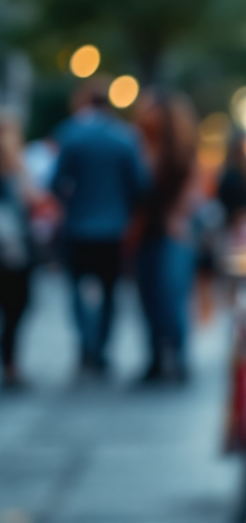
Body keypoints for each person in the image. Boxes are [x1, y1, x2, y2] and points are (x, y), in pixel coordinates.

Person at [52, 82, 148, 375]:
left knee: (76, 290)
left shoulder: (71, 134)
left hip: (78, 227)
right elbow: (140, 185)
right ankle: (102, 348)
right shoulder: (125, 137)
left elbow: (55, 182)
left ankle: (86, 344)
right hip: (113, 229)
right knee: (110, 292)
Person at [134, 92, 199, 383]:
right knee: (146, 297)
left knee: (170, 296)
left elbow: (194, 186)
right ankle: (155, 357)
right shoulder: (138, 147)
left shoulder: (181, 150)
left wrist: (179, 215)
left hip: (174, 233)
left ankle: (178, 354)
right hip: (144, 233)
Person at [0, 111, 36, 388]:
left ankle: (11, 361)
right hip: (12, 249)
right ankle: (10, 362)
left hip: (14, 248)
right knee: (16, 305)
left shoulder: (19, 171)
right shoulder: (17, 172)